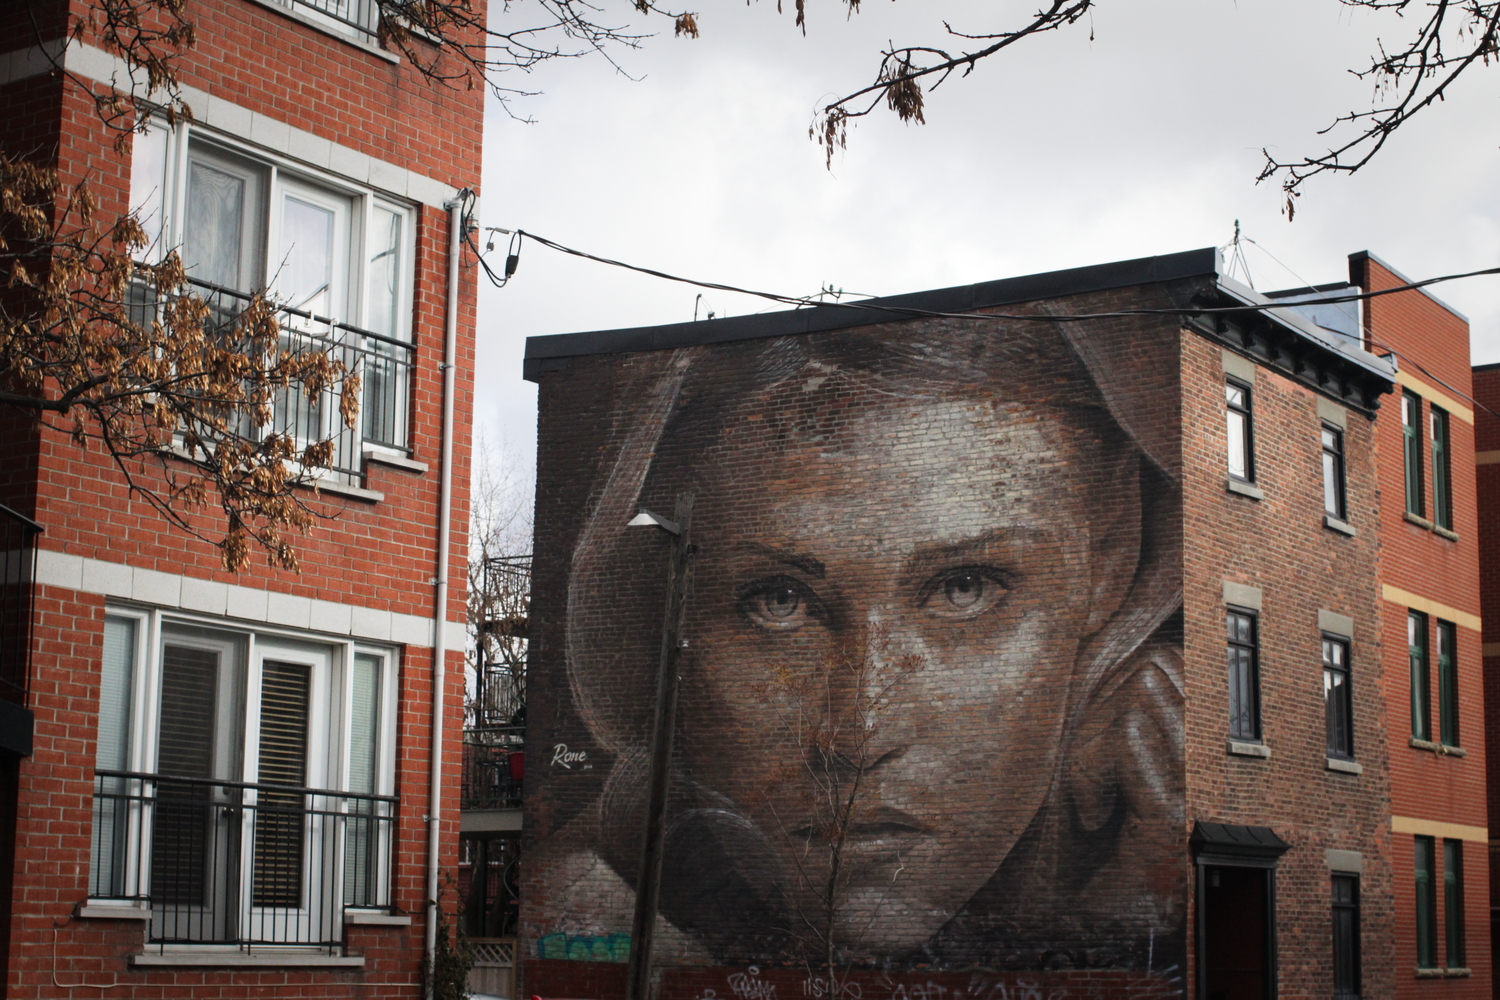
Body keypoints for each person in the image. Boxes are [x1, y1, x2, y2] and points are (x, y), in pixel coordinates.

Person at [546, 316, 1185, 973]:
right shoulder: (585, 912)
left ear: (1111, 556)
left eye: (964, 589)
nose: (857, 734)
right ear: (668, 601)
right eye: (778, 601)